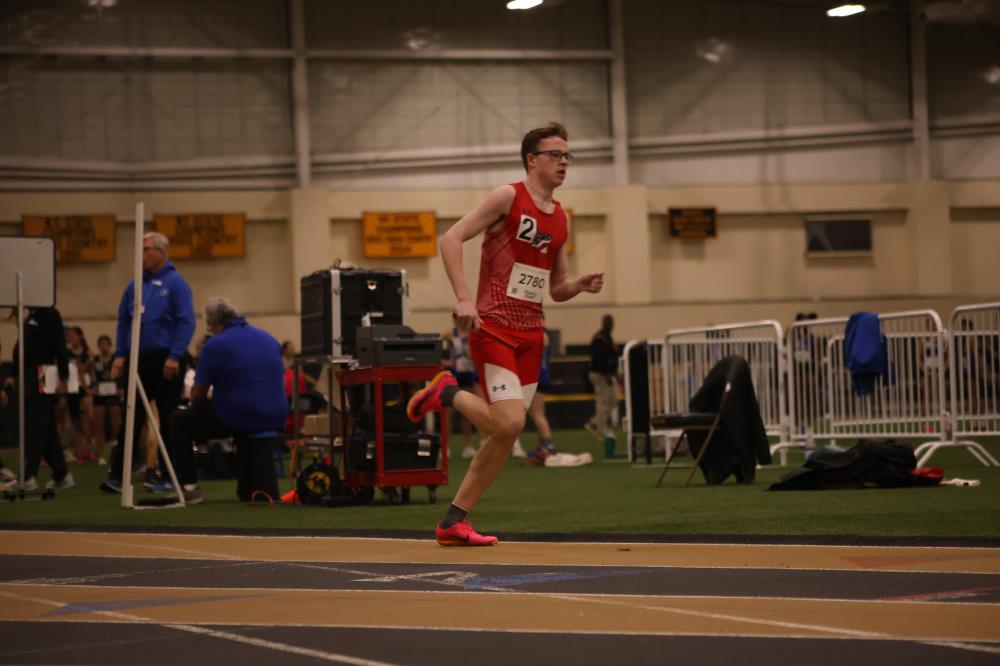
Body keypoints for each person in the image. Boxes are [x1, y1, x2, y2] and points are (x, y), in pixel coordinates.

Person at [406, 121, 604, 546]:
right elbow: (450, 239)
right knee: (511, 421)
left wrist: (578, 285)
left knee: (506, 431)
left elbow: (556, 288)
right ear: (532, 159)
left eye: (568, 155)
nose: (564, 162)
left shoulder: (561, 219)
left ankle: (453, 521)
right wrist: (464, 298)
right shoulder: (507, 197)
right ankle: (448, 392)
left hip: (532, 336)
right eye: (555, 154)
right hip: (493, 327)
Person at [156, 297, 287, 503]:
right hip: (276, 414)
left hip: (241, 416)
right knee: (240, 416)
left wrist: (194, 408)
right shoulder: (268, 337)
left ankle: (188, 486)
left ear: (212, 323)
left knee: (179, 420)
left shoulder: (215, 344)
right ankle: (248, 488)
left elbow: (198, 393)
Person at [101, 231, 195, 493]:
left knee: (168, 419)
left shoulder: (176, 283)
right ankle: (118, 476)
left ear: (161, 253)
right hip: (137, 360)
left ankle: (169, 476)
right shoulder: (134, 285)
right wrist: (120, 354)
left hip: (165, 361)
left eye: (147, 249)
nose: (141, 255)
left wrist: (175, 356)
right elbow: (123, 321)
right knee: (130, 418)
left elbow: (186, 322)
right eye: (140, 249)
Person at [3, 306, 75, 490]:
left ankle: (28, 476)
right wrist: (13, 373)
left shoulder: (49, 314)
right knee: (47, 428)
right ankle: (62, 475)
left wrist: (64, 377)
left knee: (35, 426)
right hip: (28, 375)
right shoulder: (30, 316)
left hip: (42, 375)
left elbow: (60, 346)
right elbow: (24, 348)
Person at [585, 314, 619, 458]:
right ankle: (600, 429)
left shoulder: (608, 338)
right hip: (599, 375)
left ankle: (594, 423)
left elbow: (612, 359)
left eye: (611, 323)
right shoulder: (599, 339)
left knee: (613, 401)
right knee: (603, 402)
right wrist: (607, 376)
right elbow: (598, 361)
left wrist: (615, 375)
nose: (610, 325)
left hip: (607, 375)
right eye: (607, 323)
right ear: (603, 323)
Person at [91, 334, 119, 465]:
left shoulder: (116, 359)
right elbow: (84, 372)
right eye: (101, 344)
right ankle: (100, 455)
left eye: (106, 344)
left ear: (110, 345)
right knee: (99, 426)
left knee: (115, 425)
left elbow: (122, 373)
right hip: (99, 395)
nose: (104, 347)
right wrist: (89, 388)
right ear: (98, 346)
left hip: (113, 394)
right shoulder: (94, 360)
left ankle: (115, 453)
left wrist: (120, 387)